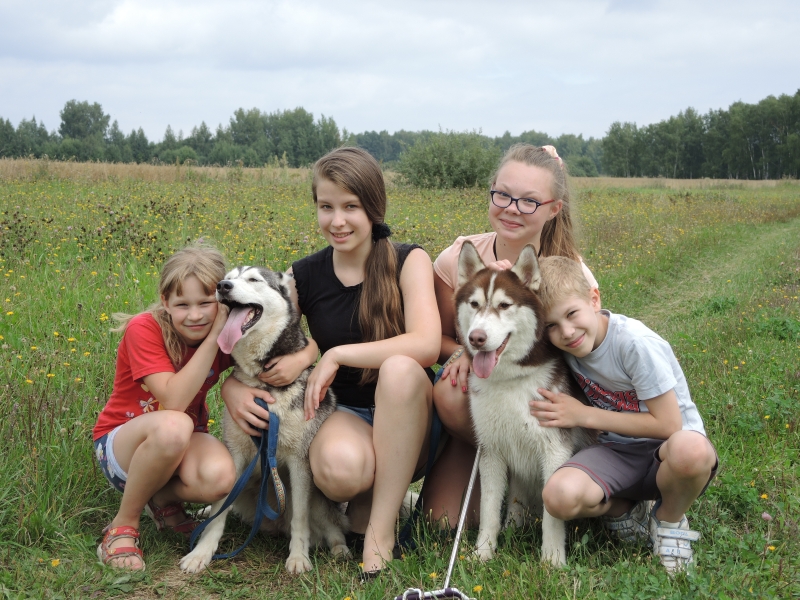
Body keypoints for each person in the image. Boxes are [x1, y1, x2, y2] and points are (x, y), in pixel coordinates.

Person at [221, 147, 440, 577]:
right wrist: (232, 386)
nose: (337, 221)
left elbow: (427, 344)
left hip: (413, 416)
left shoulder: (408, 259)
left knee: (398, 367)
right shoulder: (302, 275)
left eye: (351, 207)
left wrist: (335, 354)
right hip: (347, 415)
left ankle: (379, 533)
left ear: (373, 207)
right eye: (326, 207)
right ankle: (362, 499)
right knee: (338, 470)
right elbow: (266, 331)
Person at [425, 144, 598, 524]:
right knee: (441, 521)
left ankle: (530, 482)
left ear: (555, 208)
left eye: (529, 201)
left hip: (533, 406)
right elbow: (432, 337)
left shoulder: (572, 276)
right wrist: (462, 353)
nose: (512, 208)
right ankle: (503, 470)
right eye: (503, 194)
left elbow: (587, 356)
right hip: (480, 416)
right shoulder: (458, 258)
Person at [532, 255, 718, 575]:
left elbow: (669, 425)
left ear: (594, 299)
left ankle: (669, 520)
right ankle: (626, 512)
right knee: (559, 496)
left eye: (572, 314)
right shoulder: (566, 346)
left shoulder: (634, 343)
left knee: (693, 450)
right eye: (551, 325)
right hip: (617, 451)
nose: (567, 331)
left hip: (670, 451)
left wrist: (583, 415)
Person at [92, 243, 236, 571]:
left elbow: (274, 357)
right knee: (175, 424)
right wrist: (216, 334)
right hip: (121, 448)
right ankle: (121, 526)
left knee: (221, 478)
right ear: (165, 301)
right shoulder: (145, 328)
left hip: (179, 444)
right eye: (183, 304)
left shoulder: (228, 331)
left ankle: (164, 500)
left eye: (206, 302)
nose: (196, 315)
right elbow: (173, 402)